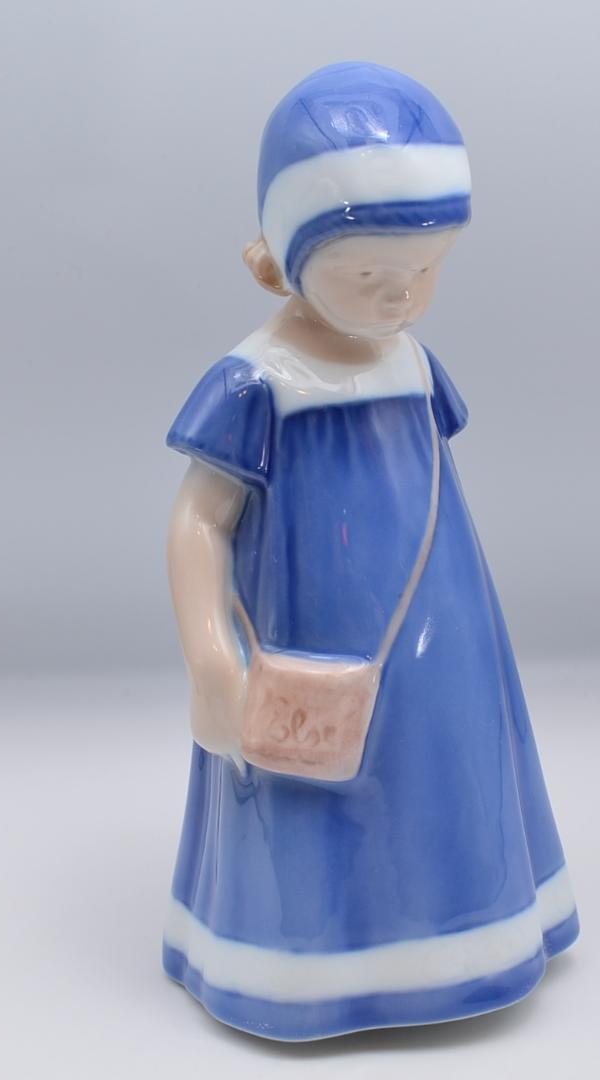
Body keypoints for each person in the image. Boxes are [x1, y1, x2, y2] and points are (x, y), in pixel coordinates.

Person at [162, 61, 578, 1041]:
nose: (402, 298)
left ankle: (466, 934)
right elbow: (198, 521)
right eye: (368, 277)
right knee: (310, 790)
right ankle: (308, 962)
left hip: (440, 624)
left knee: (449, 761)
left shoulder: (412, 362)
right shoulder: (258, 381)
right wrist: (211, 657)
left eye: (426, 271)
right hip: (309, 625)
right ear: (277, 258)